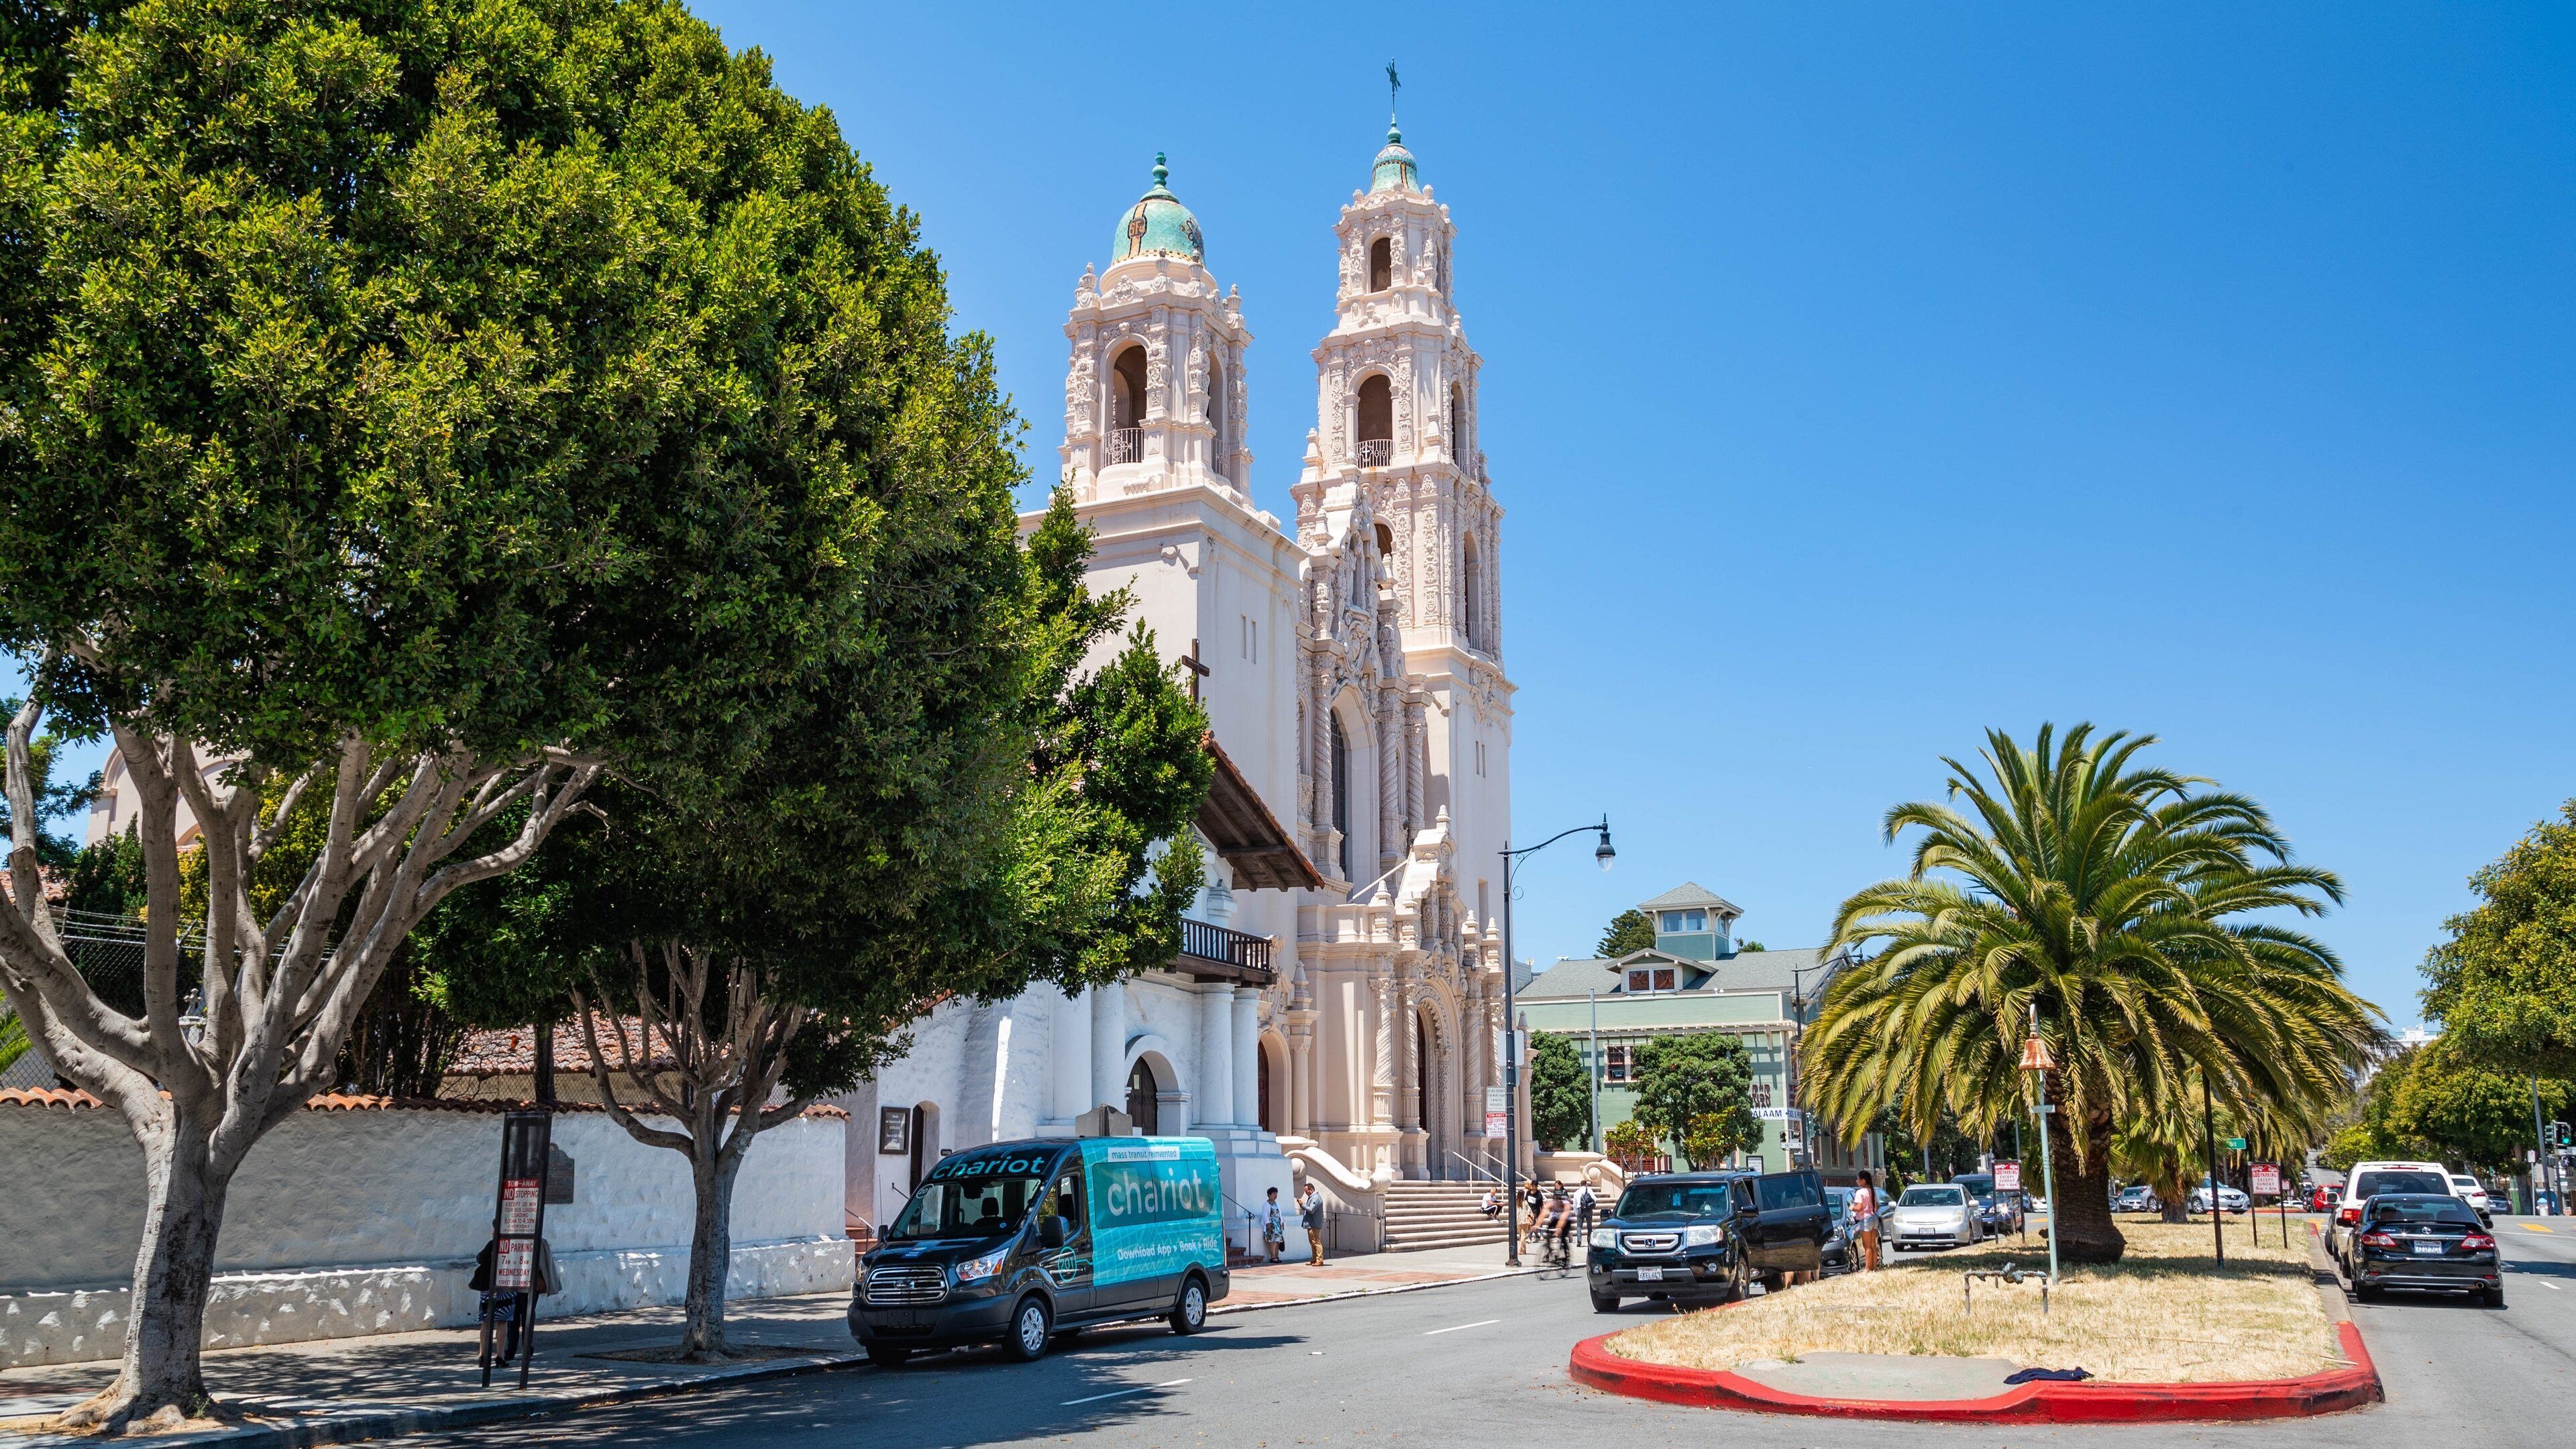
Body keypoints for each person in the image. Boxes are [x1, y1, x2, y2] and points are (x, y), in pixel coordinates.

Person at [1849, 1172, 1880, 1272]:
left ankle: (1867, 1268)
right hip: (1874, 1217)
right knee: (1873, 1245)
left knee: (1867, 1246)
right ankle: (1874, 1267)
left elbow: (1859, 1207)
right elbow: (1876, 1206)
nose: (1857, 1181)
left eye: (1858, 1179)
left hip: (1865, 1219)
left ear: (1863, 1181)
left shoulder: (1860, 1192)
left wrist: (1852, 1207)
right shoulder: (1872, 1191)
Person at [1299, 1181, 1327, 1265]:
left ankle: (1319, 1260)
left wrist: (1303, 1205)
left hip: (1314, 1224)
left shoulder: (1316, 1198)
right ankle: (1314, 1259)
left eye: (1306, 1191)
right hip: (1311, 1224)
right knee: (1312, 1242)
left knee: (1316, 1242)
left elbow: (1311, 1210)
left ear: (1311, 1190)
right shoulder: (1312, 1197)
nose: (1306, 1193)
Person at [1261, 1187, 1287, 1263]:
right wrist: (1268, 1224)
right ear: (1269, 1195)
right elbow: (1265, 1215)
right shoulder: (1266, 1205)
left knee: (1278, 1241)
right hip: (1271, 1225)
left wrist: (1282, 1223)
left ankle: (1277, 1256)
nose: (1275, 1195)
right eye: (1274, 1194)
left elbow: (1280, 1215)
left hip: (1278, 1225)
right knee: (1272, 1241)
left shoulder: (1277, 1205)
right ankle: (1273, 1257)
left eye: (1276, 1194)